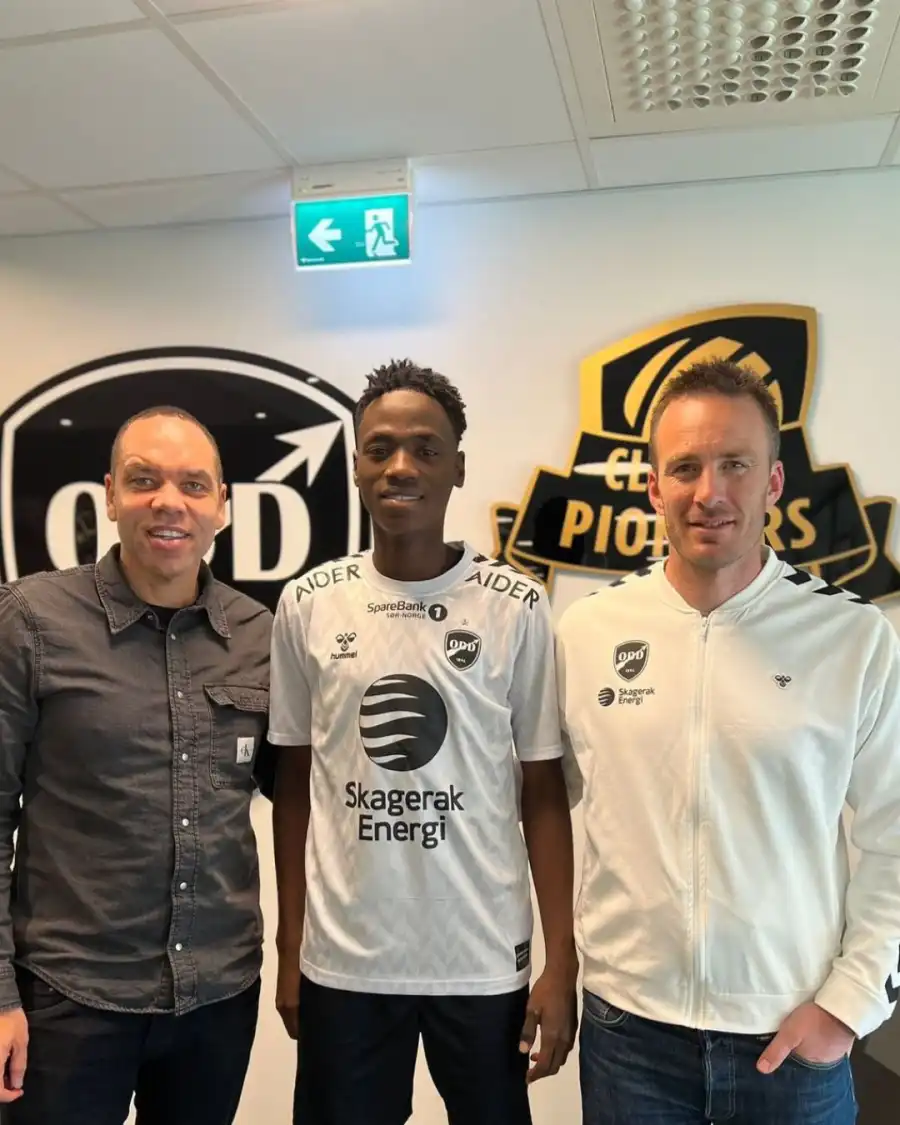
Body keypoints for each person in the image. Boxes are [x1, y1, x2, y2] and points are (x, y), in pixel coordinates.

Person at [556, 358, 900, 1125]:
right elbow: (541, 803)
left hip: (791, 1038)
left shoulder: (851, 637)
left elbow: (895, 836)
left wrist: (849, 1005)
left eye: (735, 465)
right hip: (630, 1035)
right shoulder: (587, 632)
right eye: (685, 467)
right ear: (654, 487)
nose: (709, 492)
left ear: (773, 483)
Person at [269, 359, 577, 1125]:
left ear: (457, 467)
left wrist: (561, 960)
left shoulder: (515, 606)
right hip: (346, 961)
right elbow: (293, 788)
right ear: (355, 466)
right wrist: (290, 944)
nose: (400, 466)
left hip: (481, 958)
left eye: (425, 449)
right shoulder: (308, 604)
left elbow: (542, 794)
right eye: (379, 449)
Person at [0, 407, 273, 1125]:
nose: (168, 501)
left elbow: (313, 799)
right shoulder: (32, 621)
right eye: (144, 480)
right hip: (66, 1000)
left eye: (193, 484)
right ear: (111, 496)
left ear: (222, 506)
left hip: (218, 997)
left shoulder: (259, 635)